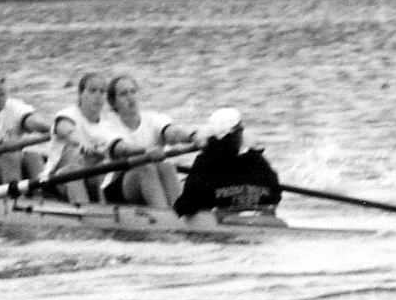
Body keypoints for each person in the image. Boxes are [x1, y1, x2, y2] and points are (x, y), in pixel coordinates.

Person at [103, 74, 199, 209]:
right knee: (146, 167)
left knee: (167, 167)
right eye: (123, 94)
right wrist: (145, 151)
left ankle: (178, 211)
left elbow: (173, 133)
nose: (130, 97)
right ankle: (167, 218)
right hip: (119, 190)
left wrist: (194, 137)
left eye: (133, 92)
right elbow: (121, 148)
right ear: (113, 102)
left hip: (152, 179)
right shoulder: (106, 126)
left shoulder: (153, 118)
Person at [174, 107, 282, 225]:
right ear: (235, 133)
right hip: (268, 220)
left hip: (226, 221)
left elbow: (189, 202)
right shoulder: (257, 159)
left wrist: (174, 214)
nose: (242, 133)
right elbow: (275, 193)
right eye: (240, 130)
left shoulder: (206, 160)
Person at [44, 73, 130, 205]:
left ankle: (105, 211)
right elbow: (66, 130)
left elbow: (119, 147)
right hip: (57, 180)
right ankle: (87, 214)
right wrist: (81, 142)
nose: (98, 96)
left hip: (93, 179)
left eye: (102, 92)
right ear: (80, 94)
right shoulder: (67, 114)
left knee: (106, 169)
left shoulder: (108, 124)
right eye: (92, 90)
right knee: (73, 169)